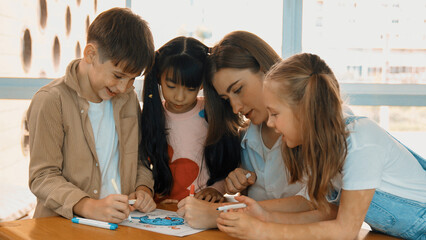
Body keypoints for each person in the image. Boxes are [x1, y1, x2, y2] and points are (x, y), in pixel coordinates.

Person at [216, 53, 426, 240]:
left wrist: (262, 232)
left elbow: (346, 231)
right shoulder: (322, 148)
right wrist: (266, 216)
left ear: (304, 110)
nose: (270, 123)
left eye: (275, 114)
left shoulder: (360, 141)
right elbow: (324, 210)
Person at [27, 7, 156, 223]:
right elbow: (42, 177)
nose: (124, 87)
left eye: (132, 79)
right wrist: (88, 206)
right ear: (90, 54)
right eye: (118, 75)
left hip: (121, 225)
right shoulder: (51, 101)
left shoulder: (128, 100)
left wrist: (143, 189)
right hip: (62, 228)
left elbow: (140, 158)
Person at [177, 31, 304, 228]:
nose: (236, 108)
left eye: (238, 90)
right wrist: (236, 186)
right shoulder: (245, 139)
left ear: (265, 70)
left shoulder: (311, 126)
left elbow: (321, 204)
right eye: (226, 100)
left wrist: (219, 213)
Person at [140, 36, 241, 204]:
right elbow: (142, 165)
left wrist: (216, 189)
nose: (179, 97)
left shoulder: (212, 113)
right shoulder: (151, 115)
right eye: (171, 86)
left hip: (204, 206)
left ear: (202, 83)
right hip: (161, 209)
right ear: (158, 77)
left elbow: (228, 161)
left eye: (190, 88)